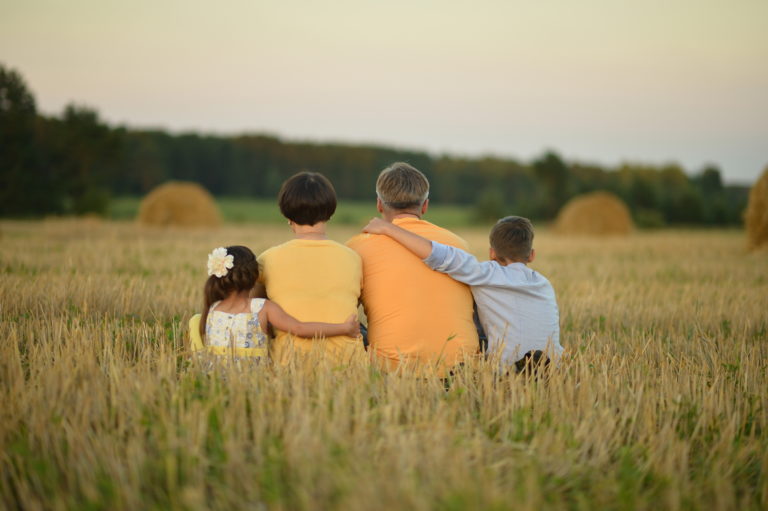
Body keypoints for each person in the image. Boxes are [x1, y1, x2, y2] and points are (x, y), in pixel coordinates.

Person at [362, 215, 562, 370]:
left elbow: (436, 254)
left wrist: (387, 227)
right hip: (554, 362)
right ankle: (538, 365)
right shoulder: (544, 284)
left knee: (467, 301)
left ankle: (517, 367)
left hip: (505, 367)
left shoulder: (486, 273)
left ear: (492, 253)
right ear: (532, 255)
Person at [346, 162, 479, 374]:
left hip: (392, 368)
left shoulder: (357, 248)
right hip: (461, 367)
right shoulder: (458, 244)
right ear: (425, 205)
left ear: (379, 204)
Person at [257, 172, 364, 365]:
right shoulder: (353, 258)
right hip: (346, 364)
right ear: (330, 212)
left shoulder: (267, 259)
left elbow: (255, 308)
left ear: (287, 214)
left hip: (289, 362)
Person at [196, 245, 359, 364]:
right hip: (251, 384)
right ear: (255, 277)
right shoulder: (261, 307)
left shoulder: (213, 307)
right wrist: (344, 328)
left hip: (215, 382)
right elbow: (300, 329)